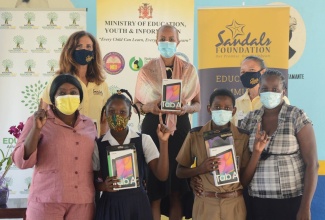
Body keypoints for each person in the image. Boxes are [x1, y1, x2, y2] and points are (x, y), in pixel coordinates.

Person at [134, 24, 201, 220]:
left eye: (171, 39)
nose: (167, 42)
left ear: (178, 42)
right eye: (163, 38)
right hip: (153, 128)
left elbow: (197, 104)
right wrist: (149, 107)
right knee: (154, 192)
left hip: (180, 129)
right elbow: (137, 105)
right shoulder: (146, 70)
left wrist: (186, 108)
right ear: (156, 42)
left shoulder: (189, 70)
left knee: (177, 191)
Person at [12, 74, 98, 219]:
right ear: (53, 98)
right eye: (62, 93)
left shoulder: (89, 124)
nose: (68, 96)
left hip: (82, 201)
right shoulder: (38, 120)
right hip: (47, 200)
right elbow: (21, 161)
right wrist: (36, 129)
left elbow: (96, 161)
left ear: (80, 97)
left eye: (73, 92)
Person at [175, 89, 269, 220]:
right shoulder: (195, 135)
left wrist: (257, 153)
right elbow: (179, 171)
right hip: (205, 204)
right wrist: (199, 169)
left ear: (234, 111)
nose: (222, 111)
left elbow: (245, 180)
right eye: (217, 107)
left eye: (227, 108)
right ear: (209, 109)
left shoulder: (242, 137)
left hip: (234, 204)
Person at [240, 69, 318, 220]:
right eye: (265, 89)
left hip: (291, 202)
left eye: (275, 89)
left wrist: (305, 207)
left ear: (283, 92)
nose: (270, 93)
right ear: (259, 90)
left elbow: (312, 164)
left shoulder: (296, 115)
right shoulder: (249, 119)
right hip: (256, 201)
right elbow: (242, 162)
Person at [94, 89, 171, 220]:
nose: (116, 116)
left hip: (138, 205)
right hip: (110, 205)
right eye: (111, 112)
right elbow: (90, 181)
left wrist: (163, 142)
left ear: (130, 115)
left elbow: (162, 175)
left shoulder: (143, 140)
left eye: (122, 112)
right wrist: (103, 186)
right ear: (105, 114)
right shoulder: (98, 145)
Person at [42, 30, 110, 136]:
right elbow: (43, 112)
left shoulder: (101, 84)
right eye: (79, 46)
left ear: (94, 52)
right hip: (65, 140)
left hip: (92, 143)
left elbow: (104, 119)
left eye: (88, 47)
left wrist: (101, 142)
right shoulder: (58, 80)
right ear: (70, 50)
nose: (84, 50)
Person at [233, 55, 290, 126]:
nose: (246, 75)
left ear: (263, 72)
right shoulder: (237, 103)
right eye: (243, 72)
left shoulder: (277, 99)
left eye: (251, 70)